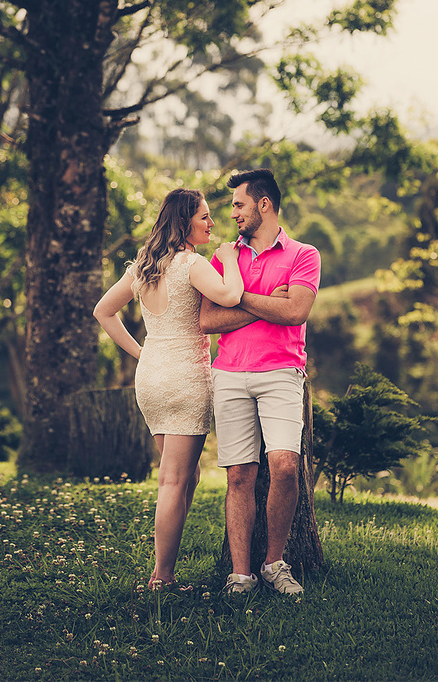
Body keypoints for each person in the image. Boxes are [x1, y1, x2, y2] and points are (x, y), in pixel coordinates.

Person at [93, 188, 245, 590]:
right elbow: (230, 295)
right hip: (184, 377)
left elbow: (103, 312)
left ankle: (166, 567)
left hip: (152, 377)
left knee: (187, 475)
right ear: (184, 221)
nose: (212, 224)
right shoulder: (192, 264)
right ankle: (162, 577)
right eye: (205, 217)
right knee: (173, 480)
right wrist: (228, 259)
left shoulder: (144, 266)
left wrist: (142, 353)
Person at [198, 168, 320, 597]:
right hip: (229, 373)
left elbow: (296, 314)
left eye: (238, 204)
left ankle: (274, 564)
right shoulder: (224, 257)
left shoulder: (304, 254)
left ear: (263, 204)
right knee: (239, 477)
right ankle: (241, 574)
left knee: (285, 467)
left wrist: (242, 299)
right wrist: (273, 301)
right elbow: (209, 319)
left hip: (283, 372)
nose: (231, 213)